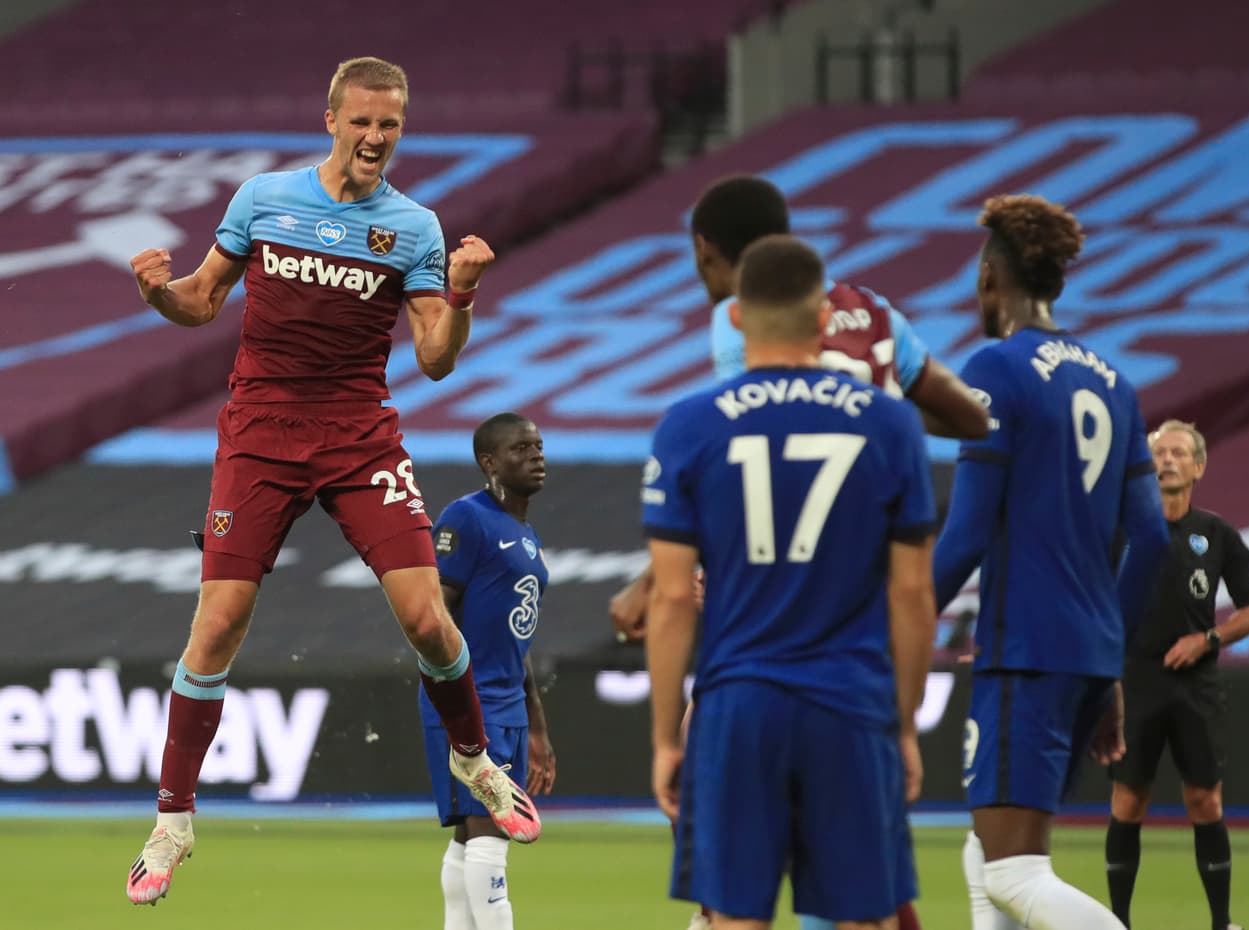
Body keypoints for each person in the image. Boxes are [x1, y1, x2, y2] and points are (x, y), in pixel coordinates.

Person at [123, 57, 539, 907]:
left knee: (427, 617)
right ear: (331, 121)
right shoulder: (264, 199)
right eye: (362, 122)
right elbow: (203, 302)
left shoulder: (415, 227)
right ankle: (171, 822)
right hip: (262, 433)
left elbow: (433, 360)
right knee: (220, 621)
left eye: (391, 125)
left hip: (359, 437)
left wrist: (460, 296)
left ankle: (476, 762)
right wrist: (159, 294)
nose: (376, 138)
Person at [613, 173, 983, 930]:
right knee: (865, 916)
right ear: (825, 315)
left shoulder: (690, 425)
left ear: (737, 313)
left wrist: (662, 738)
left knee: (733, 917)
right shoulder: (889, 425)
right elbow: (914, 596)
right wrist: (906, 723)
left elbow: (679, 597)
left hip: (740, 696)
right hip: (850, 694)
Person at [610, 173, 987, 645]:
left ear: (704, 248)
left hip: (790, 579)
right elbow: (973, 419)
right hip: (875, 567)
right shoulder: (874, 312)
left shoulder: (739, 314)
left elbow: (756, 442)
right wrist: (877, 413)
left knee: (707, 716)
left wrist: (647, 583)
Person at [931, 194, 1170, 930]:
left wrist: (890, 628)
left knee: (1012, 871)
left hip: (1026, 650)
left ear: (987, 278)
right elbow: (1152, 539)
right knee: (990, 852)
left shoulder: (997, 370)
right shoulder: (1110, 379)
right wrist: (1106, 658)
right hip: (1087, 655)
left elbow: (966, 535)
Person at [1105, 420, 1249, 930]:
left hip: (1196, 684)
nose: (1167, 460)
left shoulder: (1217, 534)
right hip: (1133, 681)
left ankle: (1221, 923)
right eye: (1158, 452)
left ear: (1198, 466)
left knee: (1204, 798)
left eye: (1178, 452)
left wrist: (1208, 639)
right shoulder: (1118, 528)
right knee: (1129, 799)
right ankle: (1119, 922)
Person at [421, 413, 555, 930]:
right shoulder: (466, 518)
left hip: (509, 701)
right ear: (490, 462)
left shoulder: (525, 532)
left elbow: (514, 641)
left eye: (539, 446)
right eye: (521, 449)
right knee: (490, 837)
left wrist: (537, 725)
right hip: (470, 699)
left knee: (470, 838)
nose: (536, 456)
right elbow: (435, 612)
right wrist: (451, 694)